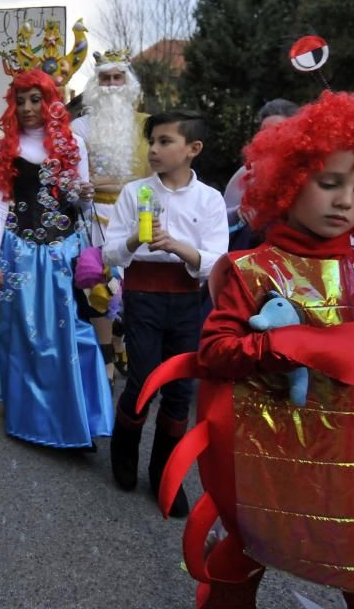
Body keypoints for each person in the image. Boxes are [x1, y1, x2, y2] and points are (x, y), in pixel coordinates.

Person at [174, 91, 354, 607]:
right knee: (239, 562)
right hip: (270, 455)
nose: (344, 202)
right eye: (329, 183)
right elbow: (216, 352)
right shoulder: (254, 270)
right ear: (288, 180)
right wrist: (289, 345)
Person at [102, 111, 227, 511]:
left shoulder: (210, 199)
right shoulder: (135, 192)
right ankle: (124, 455)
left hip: (188, 300)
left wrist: (177, 246)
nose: (154, 150)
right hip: (143, 295)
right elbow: (110, 250)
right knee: (142, 380)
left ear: (193, 149)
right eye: (152, 141)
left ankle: (165, 474)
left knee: (179, 389)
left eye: (164, 141)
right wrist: (135, 242)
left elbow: (217, 259)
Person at [0, 68, 113, 449]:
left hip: (63, 250)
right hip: (19, 251)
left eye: (35, 99)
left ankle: (75, 416)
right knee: (24, 335)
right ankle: (31, 419)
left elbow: (81, 204)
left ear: (50, 100)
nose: (27, 108)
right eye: (20, 100)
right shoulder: (4, 149)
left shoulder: (73, 144)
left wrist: (84, 192)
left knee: (71, 331)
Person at [70, 49, 150, 383]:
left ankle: (120, 341)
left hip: (136, 215)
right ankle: (105, 354)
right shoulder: (80, 126)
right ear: (95, 84)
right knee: (97, 285)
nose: (112, 85)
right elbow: (76, 182)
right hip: (94, 218)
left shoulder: (147, 126)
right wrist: (103, 184)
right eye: (105, 78)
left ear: (129, 83)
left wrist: (105, 181)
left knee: (132, 289)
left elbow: (152, 178)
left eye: (118, 78)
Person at [222, 98, 300, 251]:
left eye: (278, 130)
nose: (269, 137)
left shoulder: (314, 171)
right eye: (264, 131)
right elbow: (220, 217)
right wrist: (239, 212)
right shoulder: (248, 172)